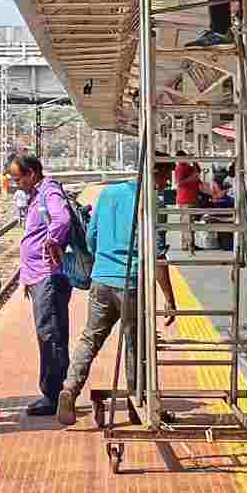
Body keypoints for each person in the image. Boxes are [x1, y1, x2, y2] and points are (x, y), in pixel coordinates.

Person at [55, 165, 178, 426]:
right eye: (164, 177)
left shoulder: (108, 194)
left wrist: (106, 258)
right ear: (154, 173)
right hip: (131, 283)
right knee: (136, 343)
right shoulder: (151, 203)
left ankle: (69, 389)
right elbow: (157, 256)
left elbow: (91, 238)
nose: (165, 184)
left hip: (101, 280)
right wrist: (169, 297)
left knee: (90, 338)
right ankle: (136, 403)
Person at [6, 153, 71, 416]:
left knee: (50, 334)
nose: (15, 183)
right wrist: (26, 276)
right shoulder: (37, 195)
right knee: (48, 332)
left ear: (32, 173)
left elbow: (62, 219)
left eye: (18, 177)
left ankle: (54, 395)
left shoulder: (49, 193)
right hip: (39, 276)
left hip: (49, 276)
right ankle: (54, 392)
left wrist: (52, 241)